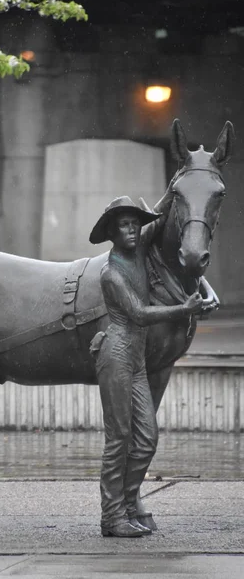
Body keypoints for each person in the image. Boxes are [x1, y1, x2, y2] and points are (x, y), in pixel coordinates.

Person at [89, 192, 203, 538]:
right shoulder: (111, 273)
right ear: (112, 233)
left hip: (135, 360)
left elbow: (163, 209)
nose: (133, 231)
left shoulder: (138, 250)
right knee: (119, 438)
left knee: (147, 438)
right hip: (117, 356)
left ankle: (126, 504)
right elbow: (138, 313)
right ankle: (112, 517)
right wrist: (183, 310)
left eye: (136, 224)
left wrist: (179, 183)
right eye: (124, 225)